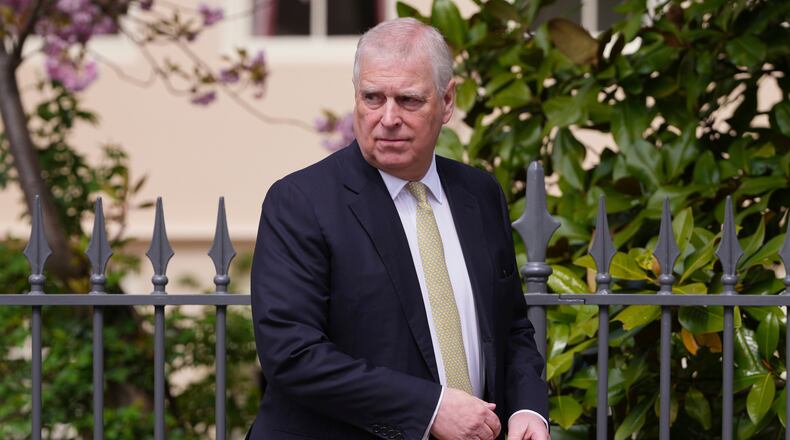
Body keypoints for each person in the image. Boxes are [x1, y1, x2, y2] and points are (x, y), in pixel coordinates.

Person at [249, 17, 549, 440]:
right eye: (372, 98)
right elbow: (293, 355)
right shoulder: (301, 202)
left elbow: (512, 327)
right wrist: (430, 409)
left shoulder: (479, 194)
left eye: (408, 100)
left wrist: (528, 410)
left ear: (446, 102)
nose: (387, 118)